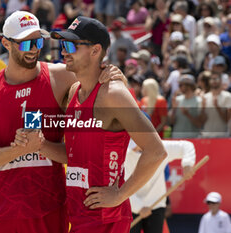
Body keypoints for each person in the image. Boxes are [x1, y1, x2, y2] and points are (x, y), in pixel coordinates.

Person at [0, 11, 122, 233]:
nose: (33, 49)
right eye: (26, 43)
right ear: (6, 43)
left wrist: (116, 75)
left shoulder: (61, 77)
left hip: (50, 209)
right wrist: (19, 149)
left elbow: (75, 152)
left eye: (38, 41)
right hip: (3, 209)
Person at [37, 16, 166, 233]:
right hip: (78, 214)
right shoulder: (74, 92)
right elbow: (74, 156)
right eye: (62, 45)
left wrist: (120, 194)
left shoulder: (113, 94)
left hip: (106, 219)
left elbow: (156, 152)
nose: (64, 52)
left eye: (70, 45)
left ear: (95, 50)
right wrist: (38, 145)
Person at [126, 139, 196, 233]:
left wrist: (187, 164)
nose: (136, 149)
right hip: (131, 205)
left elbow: (186, 146)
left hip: (156, 203)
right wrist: (139, 207)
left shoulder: (160, 147)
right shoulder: (125, 154)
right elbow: (123, 186)